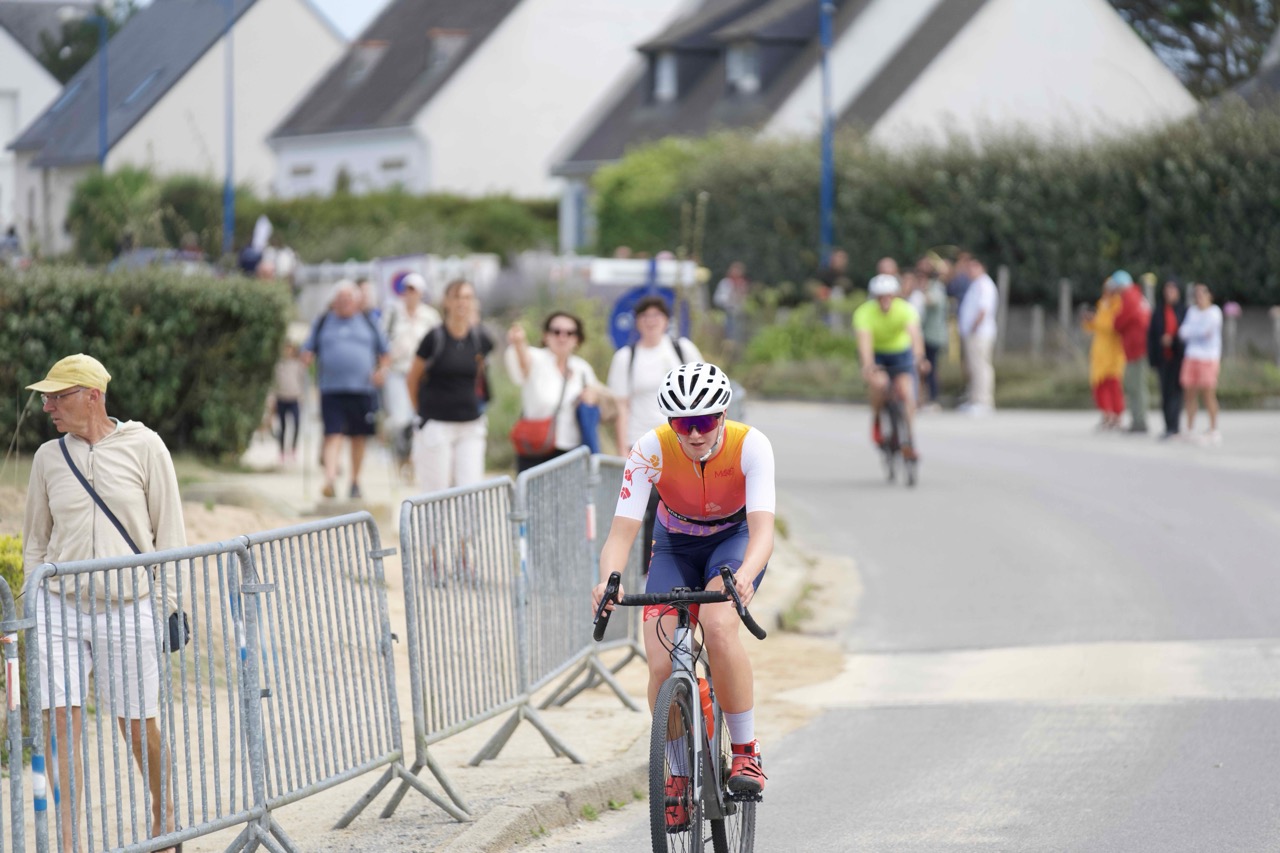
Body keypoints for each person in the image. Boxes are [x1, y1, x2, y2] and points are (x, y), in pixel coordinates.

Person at [592, 362, 774, 816]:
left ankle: (746, 752)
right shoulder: (648, 450)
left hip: (734, 541)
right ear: (670, 422)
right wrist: (609, 580)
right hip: (675, 544)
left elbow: (763, 532)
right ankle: (677, 773)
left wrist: (747, 575)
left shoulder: (751, 445)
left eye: (705, 421)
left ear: (723, 414)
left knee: (718, 625)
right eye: (682, 423)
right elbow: (620, 534)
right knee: (660, 662)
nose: (694, 433)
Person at [22, 354, 183, 853]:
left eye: (58, 396)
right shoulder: (48, 458)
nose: (47, 406)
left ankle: (164, 817)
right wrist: (32, 606)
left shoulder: (146, 446)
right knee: (60, 726)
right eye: (46, 397)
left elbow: (170, 533)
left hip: (128, 606)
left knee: (138, 726)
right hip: (60, 607)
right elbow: (35, 542)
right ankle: (69, 842)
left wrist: (167, 606)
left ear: (92, 396)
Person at [607, 296, 703, 571]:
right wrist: (622, 448)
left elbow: (702, 389)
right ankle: (650, 570)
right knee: (647, 510)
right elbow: (621, 406)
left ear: (666, 320)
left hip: (682, 440)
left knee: (684, 506)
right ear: (637, 322)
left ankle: (685, 565)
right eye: (645, 316)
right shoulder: (626, 357)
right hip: (643, 442)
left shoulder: (681, 349)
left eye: (656, 316)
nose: (651, 321)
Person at [301, 280, 390, 499]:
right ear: (334, 301)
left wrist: (382, 372)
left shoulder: (368, 321)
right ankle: (330, 479)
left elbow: (385, 353)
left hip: (363, 389)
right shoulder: (323, 321)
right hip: (331, 389)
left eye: (349, 298)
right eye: (340, 298)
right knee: (333, 434)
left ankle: (355, 481)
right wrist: (306, 356)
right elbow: (308, 348)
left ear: (357, 300)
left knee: (359, 437)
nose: (344, 302)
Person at [406, 279, 496, 492]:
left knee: (470, 491)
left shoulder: (479, 338)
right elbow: (412, 378)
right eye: (457, 297)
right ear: (446, 301)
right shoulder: (434, 338)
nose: (462, 303)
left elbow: (481, 373)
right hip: (437, 424)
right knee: (437, 493)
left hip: (470, 424)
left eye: (467, 297)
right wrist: (420, 411)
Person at [505, 311, 602, 471]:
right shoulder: (537, 358)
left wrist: (591, 399)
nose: (562, 337)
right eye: (556, 331)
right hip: (536, 446)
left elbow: (602, 399)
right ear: (546, 335)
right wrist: (519, 342)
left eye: (569, 333)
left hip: (570, 448)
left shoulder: (582, 369)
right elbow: (523, 363)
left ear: (577, 339)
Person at [853, 274, 929, 460]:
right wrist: (868, 365)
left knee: (907, 392)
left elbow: (915, 335)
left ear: (894, 296)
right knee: (879, 384)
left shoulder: (905, 310)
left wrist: (920, 358)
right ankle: (877, 419)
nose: (885, 300)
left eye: (889, 296)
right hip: (877, 353)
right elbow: (864, 342)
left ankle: (909, 439)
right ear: (875, 297)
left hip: (900, 353)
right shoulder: (864, 313)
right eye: (881, 297)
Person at [382, 273, 442, 471]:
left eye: (413, 290)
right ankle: (402, 455)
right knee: (401, 419)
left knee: (418, 417)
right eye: (407, 289)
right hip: (398, 372)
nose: (410, 294)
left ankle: (413, 458)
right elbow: (382, 341)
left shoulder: (430, 316)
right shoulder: (393, 313)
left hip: (422, 374)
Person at [1179, 282, 1223, 444]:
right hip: (1191, 356)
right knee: (1189, 394)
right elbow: (1182, 332)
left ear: (1209, 295)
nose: (1199, 297)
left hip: (1208, 358)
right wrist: (1194, 331)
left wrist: (1192, 331)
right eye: (1196, 295)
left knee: (1208, 394)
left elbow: (1206, 332)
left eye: (1202, 293)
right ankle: (1190, 428)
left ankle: (1213, 429)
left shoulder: (1214, 312)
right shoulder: (1192, 311)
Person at [1082, 275, 1127, 430]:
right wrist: (1088, 321)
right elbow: (1095, 327)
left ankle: (1117, 416)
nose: (1108, 291)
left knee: (1113, 385)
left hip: (1114, 353)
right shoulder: (1102, 304)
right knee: (1099, 385)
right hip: (1100, 352)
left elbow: (1112, 326)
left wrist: (1095, 321)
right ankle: (1106, 414)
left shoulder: (1118, 305)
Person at [956, 256, 997, 414]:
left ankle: (984, 401)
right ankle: (974, 399)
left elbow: (983, 309)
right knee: (973, 368)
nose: (970, 271)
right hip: (972, 333)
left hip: (979, 333)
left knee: (981, 367)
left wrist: (973, 327)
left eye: (974, 267)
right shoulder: (976, 284)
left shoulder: (984, 285)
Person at [1148, 278, 1187, 440]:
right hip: (1163, 358)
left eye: (1172, 290)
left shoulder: (1184, 311)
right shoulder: (1158, 311)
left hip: (1178, 358)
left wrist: (1174, 340)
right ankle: (1168, 425)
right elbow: (1151, 336)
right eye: (1167, 289)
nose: (1169, 293)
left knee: (1176, 392)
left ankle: (1174, 426)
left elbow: (1187, 333)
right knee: (1164, 393)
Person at [1114, 271, 1153, 433]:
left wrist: (1116, 322)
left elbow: (1119, 322)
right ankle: (1138, 419)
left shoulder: (1130, 297)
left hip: (1137, 348)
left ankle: (1140, 421)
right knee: (1135, 385)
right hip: (1136, 348)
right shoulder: (1136, 296)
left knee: (1136, 385)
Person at [919, 256, 949, 409]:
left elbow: (931, 301)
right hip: (926, 334)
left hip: (933, 335)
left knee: (930, 368)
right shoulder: (934, 286)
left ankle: (933, 399)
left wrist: (922, 291)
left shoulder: (936, 287)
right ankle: (924, 398)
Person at [271, 341, 307, 463]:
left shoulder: (298, 365)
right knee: (282, 427)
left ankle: (293, 450)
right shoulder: (279, 365)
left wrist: (303, 397)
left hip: (294, 399)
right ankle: (281, 451)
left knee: (296, 424)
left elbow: (303, 382)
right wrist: (272, 399)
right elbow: (274, 383)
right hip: (281, 398)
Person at [713, 261, 750, 349]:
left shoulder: (743, 284)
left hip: (740, 313)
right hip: (726, 312)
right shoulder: (725, 283)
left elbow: (746, 300)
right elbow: (718, 299)